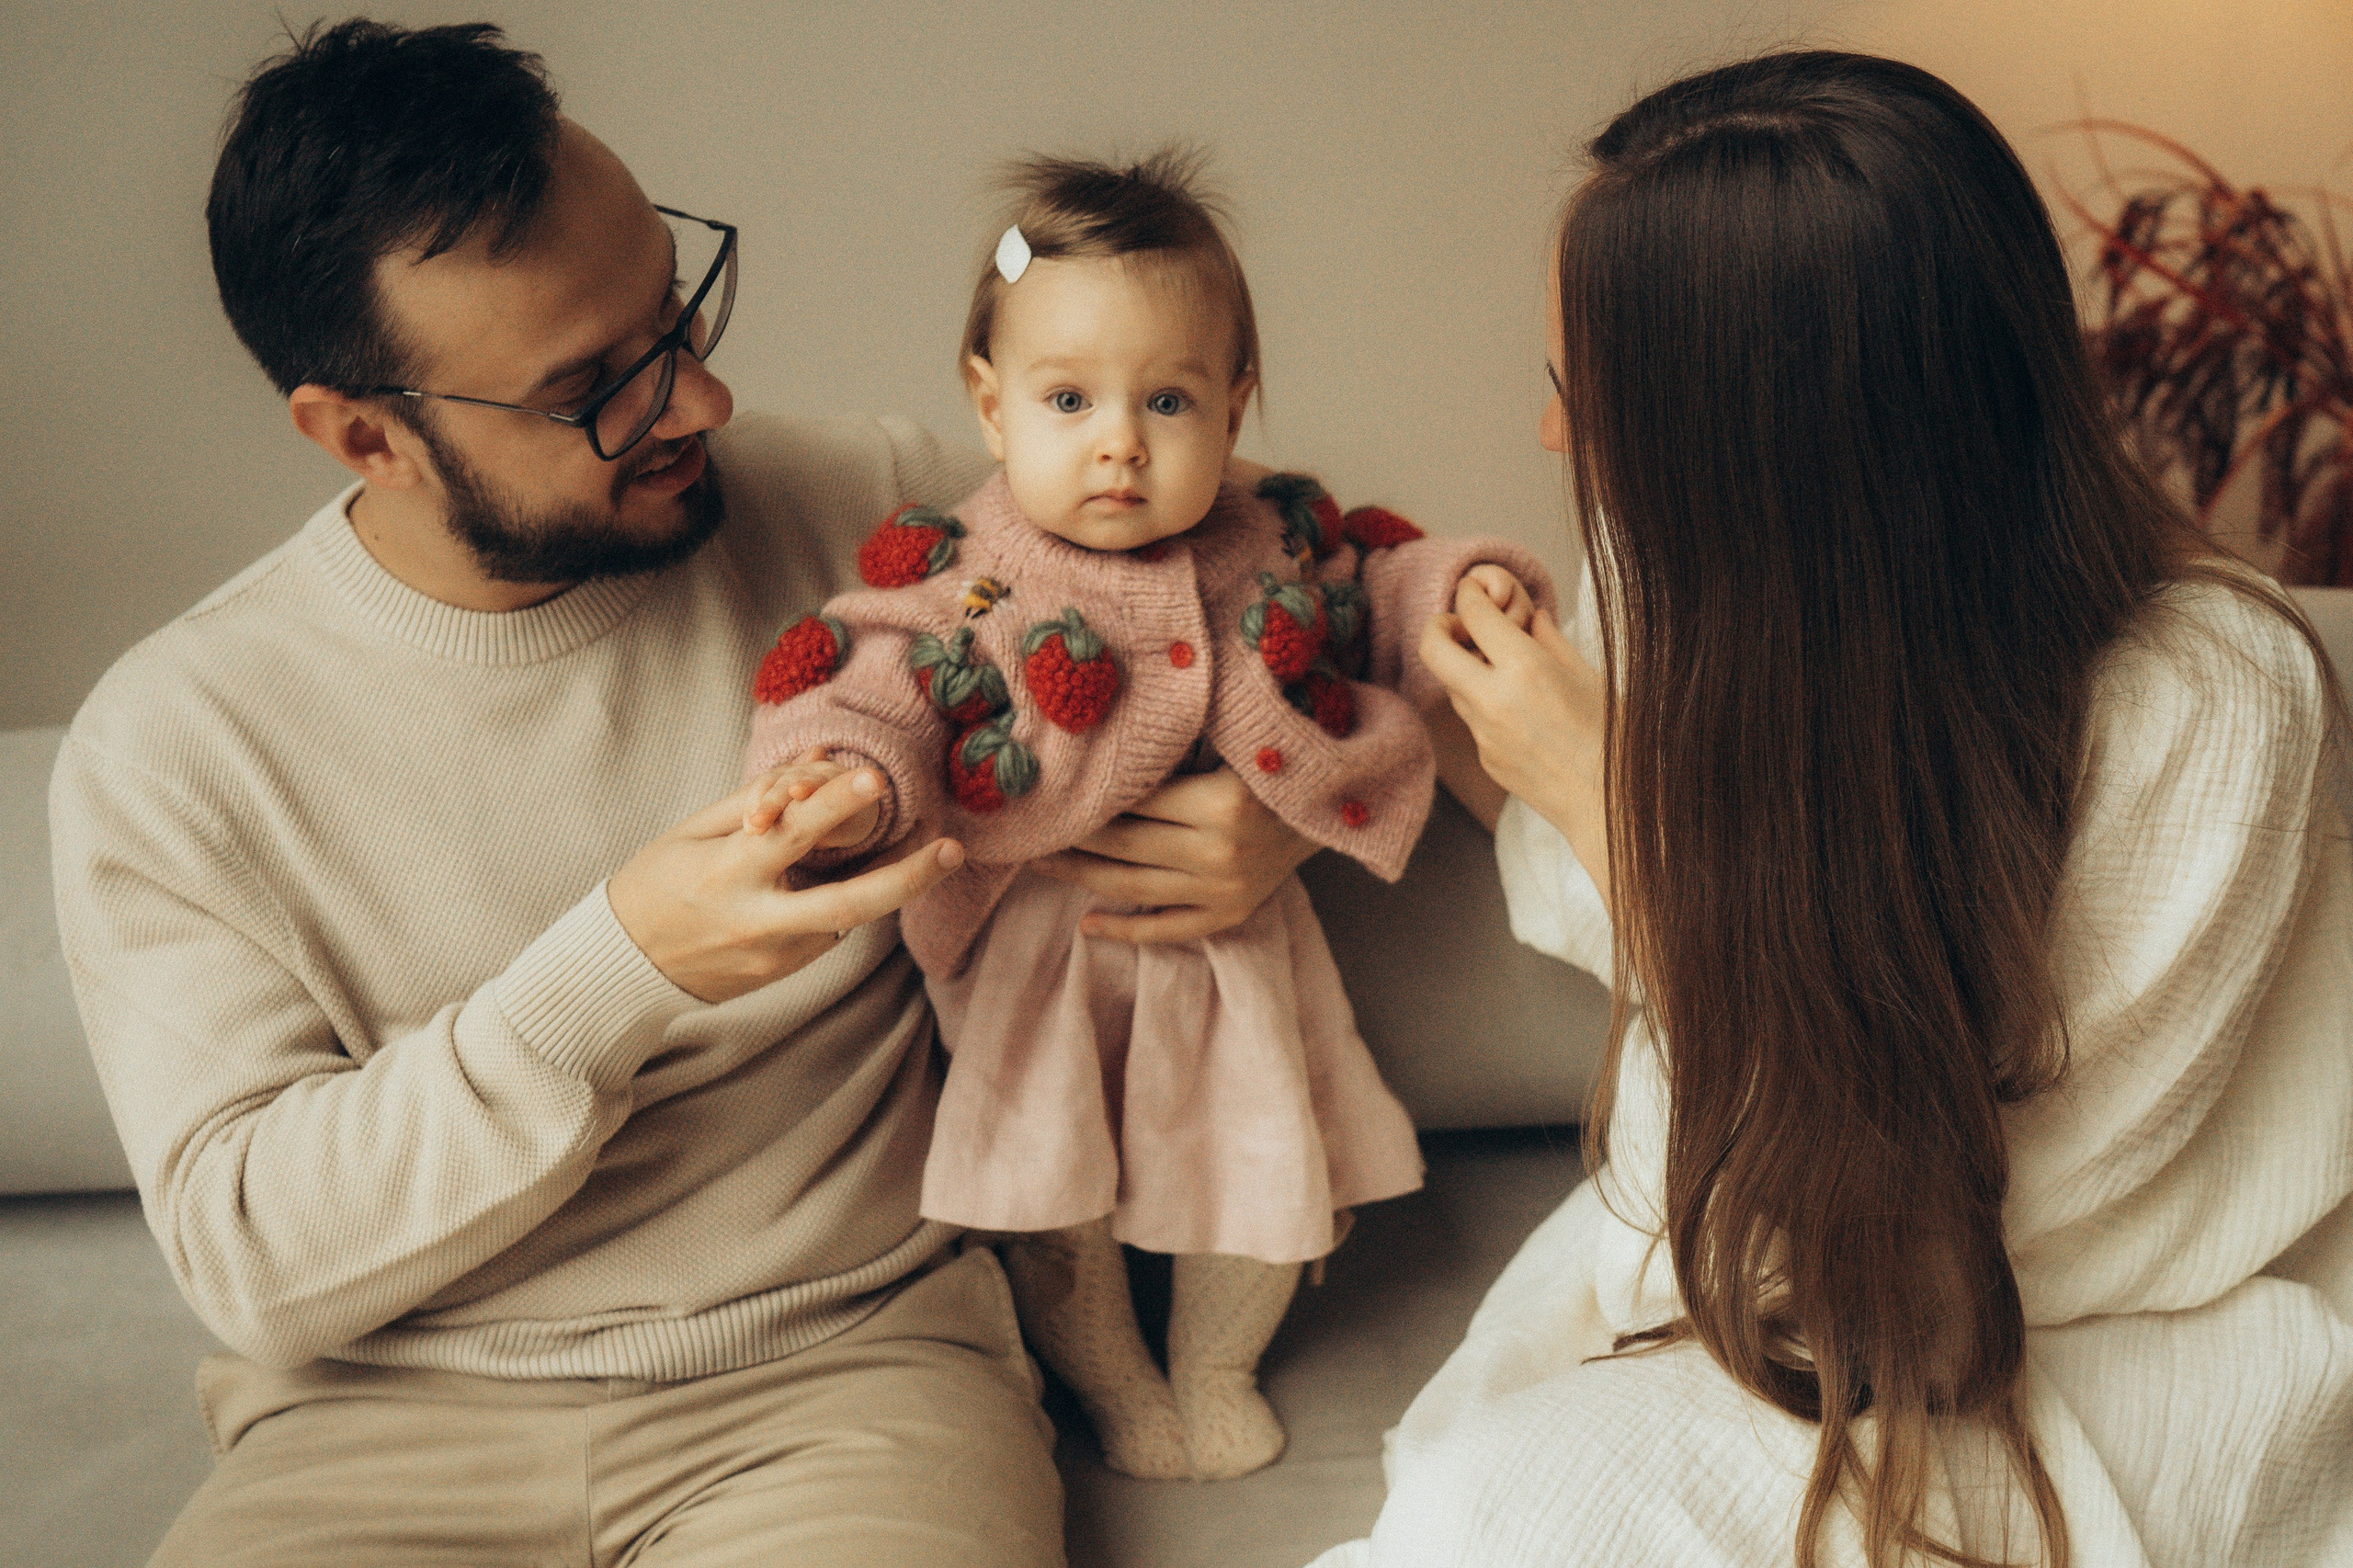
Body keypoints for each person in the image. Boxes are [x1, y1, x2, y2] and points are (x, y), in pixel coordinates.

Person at [48, 20, 1325, 1567]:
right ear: (366, 434)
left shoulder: (878, 516)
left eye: (677, 311)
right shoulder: (174, 748)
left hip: (847, 1383)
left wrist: (1269, 808)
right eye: (595, 387)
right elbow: (252, 1255)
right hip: (376, 1428)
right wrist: (616, 971)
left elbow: (1239, 586)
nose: (700, 403)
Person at [1316, 51, 2353, 1568]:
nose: (1555, 439)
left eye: (1580, 393)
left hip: (2061, 1336)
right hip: (1739, 1288)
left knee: (1499, 1518)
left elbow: (1939, 1256)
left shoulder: (2205, 703)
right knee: (1470, 1501)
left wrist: (1620, 816)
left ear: (1774, 442)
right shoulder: (1687, 583)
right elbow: (1584, 883)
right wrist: (1352, 756)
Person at [739, 150, 1551, 1483]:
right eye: (1070, 398)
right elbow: (873, 674)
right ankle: (1116, 1380)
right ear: (990, 407)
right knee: (1060, 1202)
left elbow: (1382, 589)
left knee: (1263, 1177)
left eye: (1167, 399)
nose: (1119, 440)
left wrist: (1465, 592)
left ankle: (1216, 1363)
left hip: (1235, 959)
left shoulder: (1278, 543)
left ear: (1235, 409)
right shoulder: (969, 580)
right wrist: (852, 779)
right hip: (1043, 958)